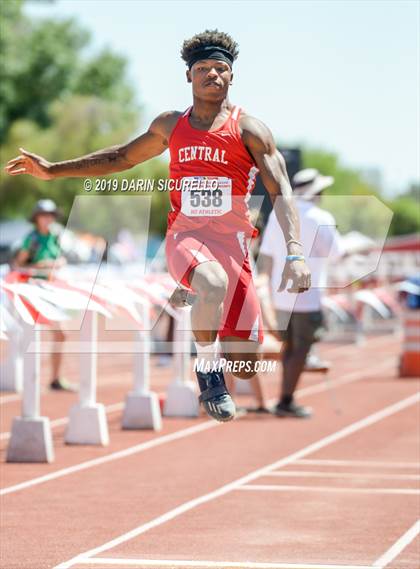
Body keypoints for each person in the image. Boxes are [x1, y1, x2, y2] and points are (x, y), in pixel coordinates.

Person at [5, 30, 310, 421]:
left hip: (234, 247)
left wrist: (296, 252)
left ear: (232, 76)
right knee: (211, 283)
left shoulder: (250, 130)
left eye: (221, 69)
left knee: (246, 365)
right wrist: (52, 171)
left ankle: (203, 311)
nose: (212, 75)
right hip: (187, 237)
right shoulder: (171, 124)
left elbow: (281, 188)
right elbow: (120, 157)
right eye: (203, 69)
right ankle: (207, 370)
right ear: (189, 76)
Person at [259, 168, 343, 418]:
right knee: (301, 349)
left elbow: (268, 258)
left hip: (282, 293)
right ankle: (286, 399)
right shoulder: (321, 217)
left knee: (289, 347)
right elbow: (336, 253)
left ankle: (285, 397)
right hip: (308, 295)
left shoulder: (278, 215)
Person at [12, 199, 74, 391]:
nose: (47, 219)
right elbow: (17, 265)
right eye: (43, 215)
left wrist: (59, 263)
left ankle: (54, 378)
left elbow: (60, 257)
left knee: (61, 335)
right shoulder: (32, 240)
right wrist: (36, 267)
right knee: (27, 336)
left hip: (51, 290)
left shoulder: (55, 236)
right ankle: (23, 377)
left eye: (50, 215)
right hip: (33, 291)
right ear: (36, 218)